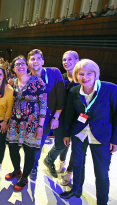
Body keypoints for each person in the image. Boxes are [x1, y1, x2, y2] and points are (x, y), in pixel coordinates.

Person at [59, 59, 117, 205]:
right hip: (80, 133)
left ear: (95, 74)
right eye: (80, 74)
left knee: (101, 173)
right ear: (76, 75)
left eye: (88, 73)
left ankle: (102, 202)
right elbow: (69, 115)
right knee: (77, 165)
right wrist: (66, 134)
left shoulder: (110, 89)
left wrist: (115, 140)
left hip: (102, 136)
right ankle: (76, 190)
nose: (84, 77)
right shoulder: (74, 91)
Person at [5, 55, 47, 191]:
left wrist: (40, 125)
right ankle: (17, 170)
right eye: (17, 64)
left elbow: (43, 104)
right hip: (15, 122)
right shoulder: (13, 83)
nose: (20, 66)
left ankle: (25, 178)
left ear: (27, 66)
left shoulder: (37, 81)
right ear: (13, 68)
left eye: (23, 63)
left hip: (32, 123)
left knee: (29, 151)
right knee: (12, 148)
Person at [27, 49, 66, 180]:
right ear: (28, 63)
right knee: (35, 144)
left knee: (51, 144)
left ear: (43, 61)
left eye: (38, 58)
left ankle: (41, 163)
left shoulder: (54, 72)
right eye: (32, 59)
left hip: (52, 117)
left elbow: (61, 96)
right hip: (36, 119)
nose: (35, 61)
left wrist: (56, 116)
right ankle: (32, 165)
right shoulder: (26, 79)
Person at [56, 51, 79, 185]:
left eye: (70, 59)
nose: (66, 62)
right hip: (63, 117)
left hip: (78, 120)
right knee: (63, 144)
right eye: (64, 59)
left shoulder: (81, 78)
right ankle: (61, 163)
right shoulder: (61, 77)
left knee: (76, 147)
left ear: (77, 60)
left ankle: (69, 172)